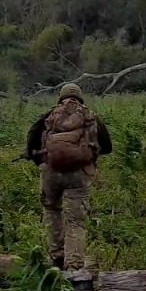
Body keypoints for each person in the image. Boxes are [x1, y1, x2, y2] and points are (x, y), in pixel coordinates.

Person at [22, 83, 112, 271]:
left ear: (60, 97)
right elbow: (108, 147)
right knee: (76, 221)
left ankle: (56, 256)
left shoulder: (49, 115)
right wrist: (85, 154)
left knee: (52, 210)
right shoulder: (91, 116)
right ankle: (74, 266)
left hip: (51, 173)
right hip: (79, 175)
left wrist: (40, 161)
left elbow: (32, 138)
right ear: (80, 97)